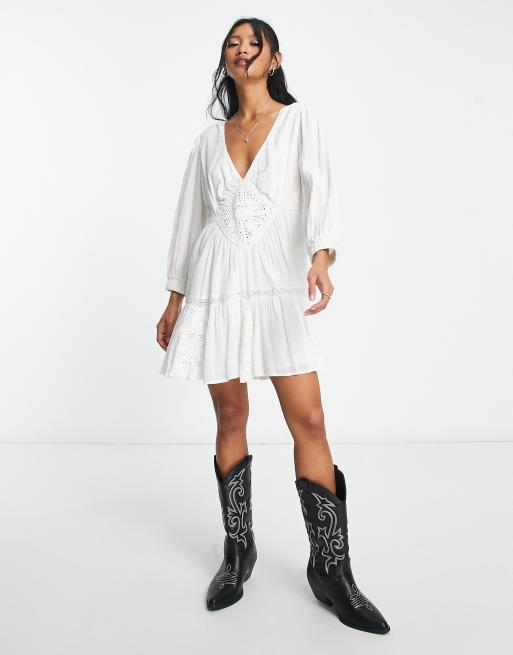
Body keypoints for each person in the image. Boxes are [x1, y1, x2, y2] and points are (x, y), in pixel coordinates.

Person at [156, 17, 390, 635]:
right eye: (232, 44)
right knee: (230, 416)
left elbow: (322, 194)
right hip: (215, 285)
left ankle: (331, 570)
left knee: (308, 420)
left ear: (274, 58)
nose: (241, 51)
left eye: (252, 43)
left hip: (275, 284)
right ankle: (238, 552)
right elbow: (188, 221)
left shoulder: (298, 122)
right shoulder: (207, 141)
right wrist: (175, 299)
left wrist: (322, 257)